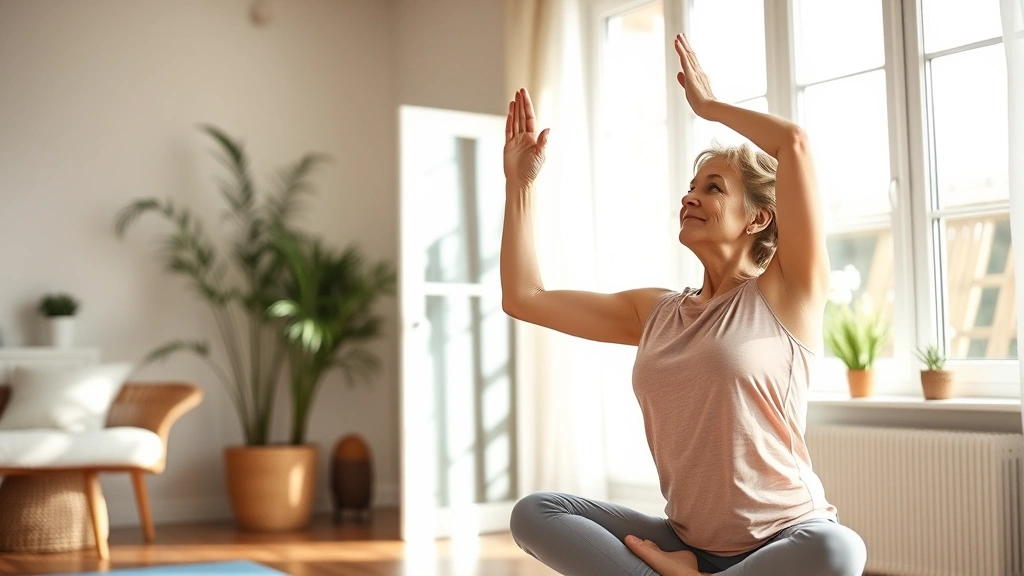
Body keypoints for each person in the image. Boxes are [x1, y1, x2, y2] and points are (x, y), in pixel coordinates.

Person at [499, 33, 868, 576]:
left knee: (841, 551)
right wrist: (519, 185)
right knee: (535, 513)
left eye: (714, 187)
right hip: (687, 541)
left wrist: (708, 107)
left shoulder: (787, 292)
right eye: (691, 185)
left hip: (786, 539)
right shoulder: (657, 313)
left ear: (758, 218)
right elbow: (523, 298)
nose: (690, 195)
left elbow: (795, 146)